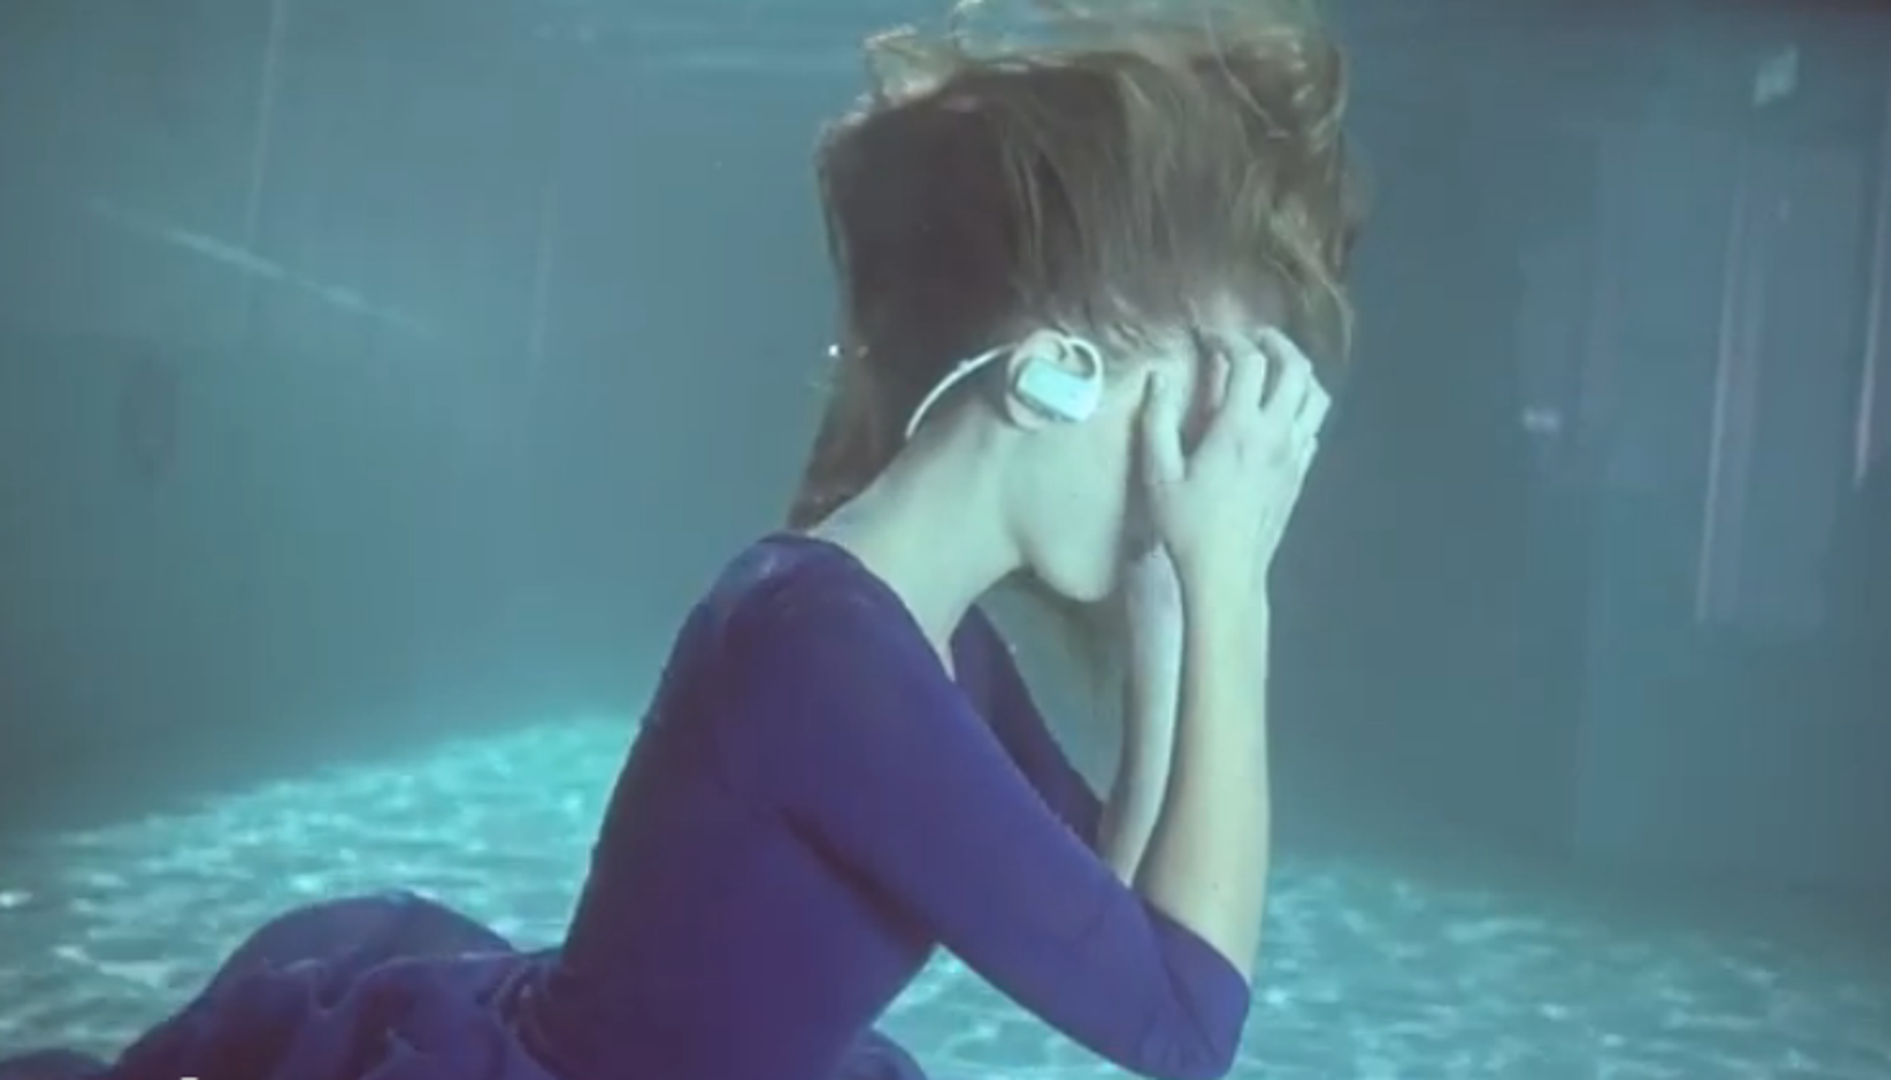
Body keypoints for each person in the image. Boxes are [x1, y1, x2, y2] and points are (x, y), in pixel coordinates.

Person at [0, 2, 1360, 1078]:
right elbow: (1183, 1024)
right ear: (1050, 374)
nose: (1204, 468)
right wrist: (1233, 590)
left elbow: (1111, 908)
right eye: (1189, 407)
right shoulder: (825, 650)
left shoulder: (920, 644)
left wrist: (1177, 604)